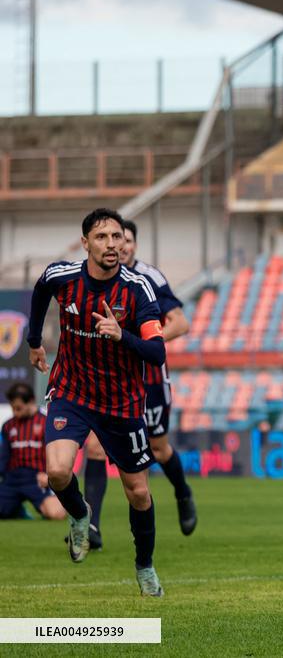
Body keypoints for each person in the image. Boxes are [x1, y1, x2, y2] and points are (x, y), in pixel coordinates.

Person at [28, 208, 166, 597]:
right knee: (57, 473)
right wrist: (34, 341)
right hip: (72, 392)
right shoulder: (63, 276)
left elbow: (157, 353)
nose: (112, 244)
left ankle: (145, 565)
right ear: (85, 242)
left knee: (138, 492)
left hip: (121, 402)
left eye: (117, 237)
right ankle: (80, 513)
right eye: (103, 237)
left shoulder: (138, 289)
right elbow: (40, 289)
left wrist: (122, 335)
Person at [79, 219, 196, 544]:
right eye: (112, 238)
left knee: (158, 449)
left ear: (133, 245)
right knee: (96, 447)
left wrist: (139, 340)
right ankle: (93, 525)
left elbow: (181, 323)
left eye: (125, 239)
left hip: (149, 377)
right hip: (109, 379)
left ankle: (183, 493)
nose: (119, 245)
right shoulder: (92, 278)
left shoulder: (149, 278)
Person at [0, 383, 66, 520]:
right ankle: (16, 509)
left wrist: (49, 477)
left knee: (57, 514)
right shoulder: (8, 426)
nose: (15, 413)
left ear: (31, 401)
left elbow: (59, 454)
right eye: (13, 408)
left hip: (37, 478)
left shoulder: (47, 422)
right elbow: (4, 458)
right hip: (12, 479)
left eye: (18, 408)